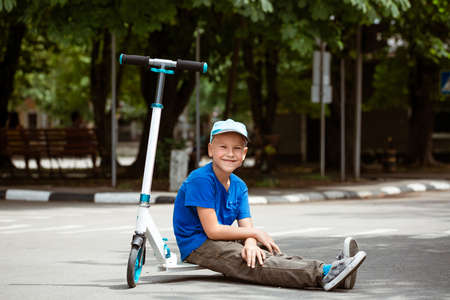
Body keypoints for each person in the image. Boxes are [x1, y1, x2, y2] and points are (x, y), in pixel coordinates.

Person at [173, 119, 366, 291]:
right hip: (198, 244)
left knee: (265, 252)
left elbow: (246, 227)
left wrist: (251, 242)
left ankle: (330, 270)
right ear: (210, 150)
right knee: (251, 263)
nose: (230, 154)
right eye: (223, 147)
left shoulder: (239, 186)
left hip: (221, 239)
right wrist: (254, 235)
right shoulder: (200, 180)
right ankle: (323, 274)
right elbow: (213, 230)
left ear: (244, 153)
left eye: (237, 148)